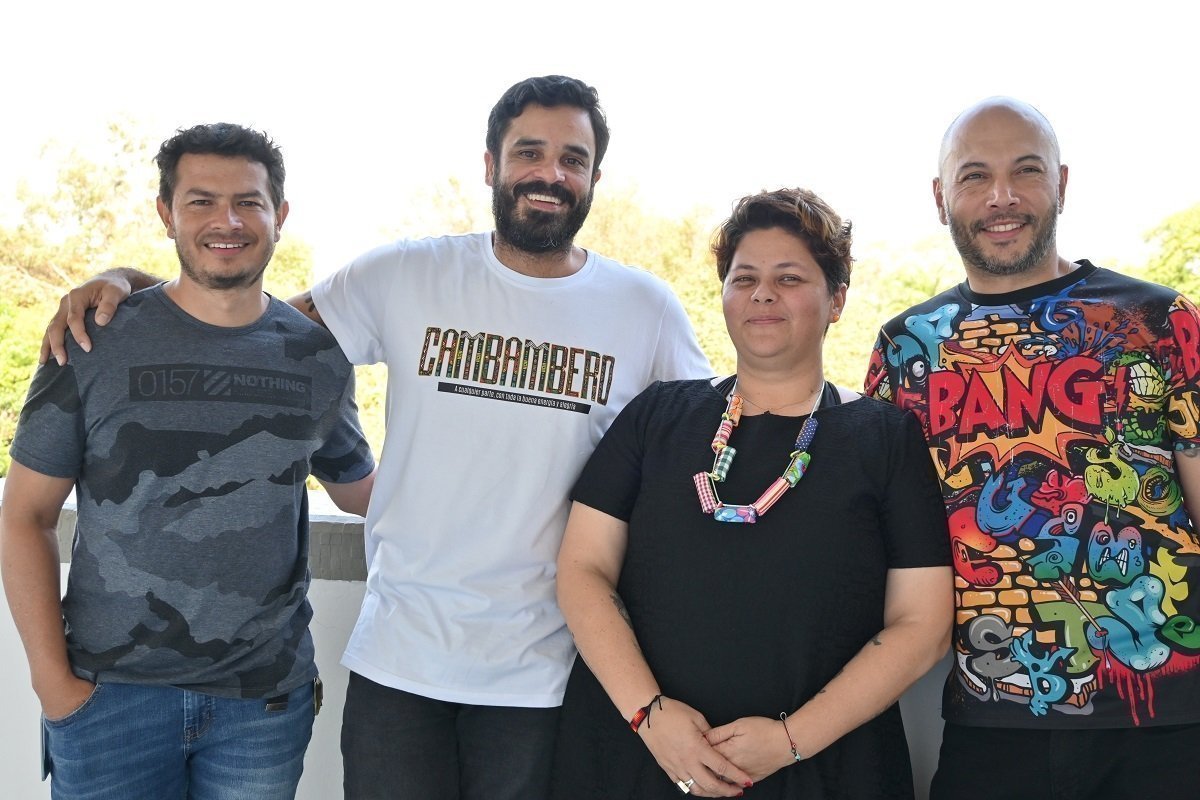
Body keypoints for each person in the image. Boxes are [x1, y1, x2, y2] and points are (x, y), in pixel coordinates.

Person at [39, 75, 712, 799]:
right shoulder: (406, 273)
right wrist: (129, 279)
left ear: (594, 178)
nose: (549, 173)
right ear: (491, 164)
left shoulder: (644, 308)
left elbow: (715, 442)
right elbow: (239, 323)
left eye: (572, 159)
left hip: (548, 670)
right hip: (400, 659)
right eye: (529, 152)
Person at [1, 123, 375, 799]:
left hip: (260, 704)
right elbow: (25, 516)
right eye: (201, 201)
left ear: (279, 216)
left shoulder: (317, 359)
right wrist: (52, 685)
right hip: (108, 698)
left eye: (248, 202)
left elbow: (363, 493)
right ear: (165, 213)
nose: (226, 221)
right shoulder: (92, 340)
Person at [550, 188, 952, 799]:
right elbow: (582, 568)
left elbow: (921, 624)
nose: (763, 293)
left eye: (790, 277)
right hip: (638, 760)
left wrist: (790, 741)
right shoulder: (657, 415)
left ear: (836, 299)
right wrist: (650, 717)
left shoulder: (885, 438)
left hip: (824, 771)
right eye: (745, 278)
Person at [865, 97, 1200, 799]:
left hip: (1171, 724)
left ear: (1063, 182)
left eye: (1026, 171)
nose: (1002, 197)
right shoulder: (906, 350)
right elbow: (873, 540)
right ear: (940, 197)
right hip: (990, 723)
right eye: (975, 176)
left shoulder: (1160, 321)